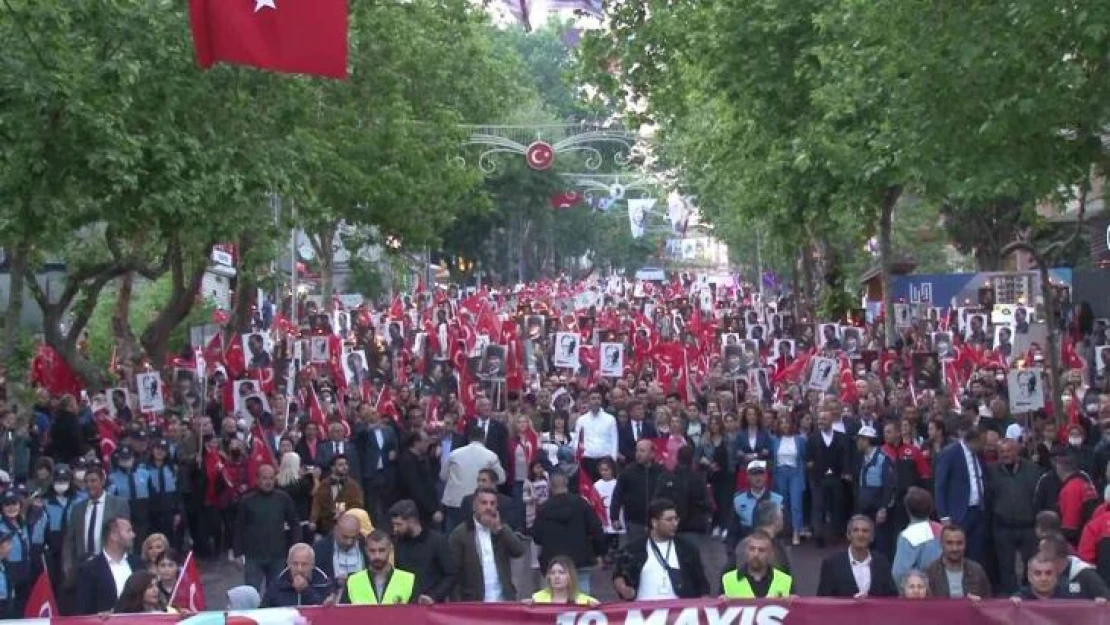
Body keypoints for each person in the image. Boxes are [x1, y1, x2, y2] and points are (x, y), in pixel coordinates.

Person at [611, 498, 710, 601]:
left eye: (676, 519)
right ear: (654, 522)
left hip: (679, 613)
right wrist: (623, 589)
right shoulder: (633, 549)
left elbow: (701, 583)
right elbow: (619, 574)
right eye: (669, 520)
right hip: (643, 613)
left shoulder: (687, 549)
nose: (674, 523)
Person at [531, 472, 606, 594]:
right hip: (580, 560)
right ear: (567, 483)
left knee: (554, 603)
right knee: (581, 603)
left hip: (553, 563)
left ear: (550, 486)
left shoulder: (544, 509)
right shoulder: (581, 504)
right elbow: (597, 529)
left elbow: (536, 537)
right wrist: (599, 553)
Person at [447, 486, 525, 602]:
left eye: (492, 503)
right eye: (484, 503)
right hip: (474, 603)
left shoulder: (502, 529)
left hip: (503, 601)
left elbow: (519, 551)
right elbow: (453, 574)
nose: (488, 507)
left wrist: (500, 529)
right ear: (474, 506)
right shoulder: (460, 534)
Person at [988, 437, 1043, 594]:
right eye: (1002, 452)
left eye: (1009, 450)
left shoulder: (1033, 469)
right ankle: (1010, 598)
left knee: (1031, 563)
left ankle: (1030, 595)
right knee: (1006, 567)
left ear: (1017, 451)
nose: (1006, 454)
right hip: (1003, 527)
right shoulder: (991, 471)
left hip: (1029, 526)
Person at [235, 463, 300, 594]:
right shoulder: (247, 500)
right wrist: (237, 553)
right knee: (252, 593)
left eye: (271, 478)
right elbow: (238, 528)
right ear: (257, 479)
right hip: (253, 556)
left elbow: (294, 524)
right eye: (264, 478)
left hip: (278, 555)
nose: (268, 482)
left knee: (276, 593)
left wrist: (294, 549)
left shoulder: (283, 498)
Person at [62, 466, 130, 584]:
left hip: (111, 565)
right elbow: (70, 541)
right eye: (86, 481)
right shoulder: (77, 509)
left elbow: (126, 536)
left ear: (103, 481)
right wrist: (68, 565)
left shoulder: (118, 504)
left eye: (93, 481)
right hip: (84, 568)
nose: (89, 485)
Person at [934, 424, 989, 564]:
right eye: (982, 443)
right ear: (973, 441)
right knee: (956, 552)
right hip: (958, 513)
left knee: (977, 552)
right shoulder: (950, 453)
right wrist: (944, 515)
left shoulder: (979, 455)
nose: (984, 446)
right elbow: (940, 485)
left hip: (978, 510)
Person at [441, 426, 505, 533]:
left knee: (452, 537)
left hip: (454, 502)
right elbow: (501, 478)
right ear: (484, 438)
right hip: (479, 503)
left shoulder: (454, 454)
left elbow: (443, 476)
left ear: (469, 438)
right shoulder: (491, 456)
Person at [816, 515, 897, 598]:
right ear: (848, 535)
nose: (860, 534)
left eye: (865, 531)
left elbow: (892, 597)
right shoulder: (832, 564)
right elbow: (823, 600)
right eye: (855, 530)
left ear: (872, 537)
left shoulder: (882, 563)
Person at [75, 518, 144, 615]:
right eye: (129, 531)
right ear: (114, 536)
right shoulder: (89, 569)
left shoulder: (139, 564)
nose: (133, 535)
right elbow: (84, 610)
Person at [609, 439, 672, 544]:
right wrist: (614, 517)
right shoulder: (628, 472)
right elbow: (617, 495)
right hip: (634, 522)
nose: (638, 454)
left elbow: (669, 496)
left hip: (657, 522)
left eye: (642, 451)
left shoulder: (662, 473)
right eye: (637, 450)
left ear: (652, 454)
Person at [390, 500, 453, 604]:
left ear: (411, 521)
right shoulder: (398, 543)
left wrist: (434, 596)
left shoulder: (437, 541)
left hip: (432, 606)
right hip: (406, 605)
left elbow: (450, 574)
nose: (395, 529)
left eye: (398, 524)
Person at [807, 407, 852, 547]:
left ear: (831, 421)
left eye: (824, 419)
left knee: (836, 507)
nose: (821, 421)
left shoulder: (841, 437)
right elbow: (808, 458)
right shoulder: (813, 438)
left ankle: (835, 534)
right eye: (819, 419)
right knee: (818, 507)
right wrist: (812, 467)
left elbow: (846, 456)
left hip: (836, 477)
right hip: (818, 478)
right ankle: (819, 536)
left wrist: (845, 471)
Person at [342, 530, 416, 605]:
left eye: (382, 550)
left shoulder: (408, 580)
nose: (377, 556)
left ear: (390, 549)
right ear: (366, 550)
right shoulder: (353, 581)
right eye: (372, 551)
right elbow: (342, 614)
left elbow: (417, 613)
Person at [923, 525, 991, 599]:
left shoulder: (977, 571)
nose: (954, 548)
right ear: (941, 544)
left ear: (965, 544)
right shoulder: (930, 572)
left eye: (959, 543)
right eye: (949, 543)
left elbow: (988, 602)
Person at [719, 531, 793, 598]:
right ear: (746, 551)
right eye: (752, 549)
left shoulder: (785, 580)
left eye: (761, 550)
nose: (756, 554)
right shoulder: (727, 579)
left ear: (770, 554)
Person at [891, 487, 942, 583]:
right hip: (942, 589)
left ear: (907, 509)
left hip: (918, 592)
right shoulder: (943, 530)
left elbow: (899, 573)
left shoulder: (908, 535)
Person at [261, 543, 332, 607]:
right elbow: (263, 611)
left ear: (312, 565)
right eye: (295, 564)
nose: (299, 569)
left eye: (304, 564)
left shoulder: (323, 583)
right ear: (288, 563)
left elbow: (323, 610)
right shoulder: (277, 584)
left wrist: (306, 590)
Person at [311, 455, 365, 536]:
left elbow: (358, 505)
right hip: (326, 528)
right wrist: (313, 521)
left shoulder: (353, 485)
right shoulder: (324, 484)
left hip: (346, 526)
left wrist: (344, 512)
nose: (345, 467)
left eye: (346, 464)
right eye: (340, 465)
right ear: (332, 468)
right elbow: (317, 503)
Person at [574, 391, 618, 481]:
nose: (596, 401)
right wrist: (577, 458)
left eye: (598, 398)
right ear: (588, 401)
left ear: (601, 401)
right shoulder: (581, 420)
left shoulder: (610, 419)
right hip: (587, 460)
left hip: (605, 460)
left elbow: (614, 441)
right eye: (593, 398)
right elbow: (577, 441)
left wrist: (613, 460)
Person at [312, 512, 365, 587]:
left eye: (354, 538)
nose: (349, 542)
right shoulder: (319, 550)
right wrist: (335, 582)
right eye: (345, 537)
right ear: (335, 530)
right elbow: (315, 580)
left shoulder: (367, 548)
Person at [528, 556, 599, 606]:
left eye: (561, 572)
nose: (556, 577)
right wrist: (524, 607)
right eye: (552, 573)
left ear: (570, 576)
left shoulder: (586, 602)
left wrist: (596, 609)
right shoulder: (537, 598)